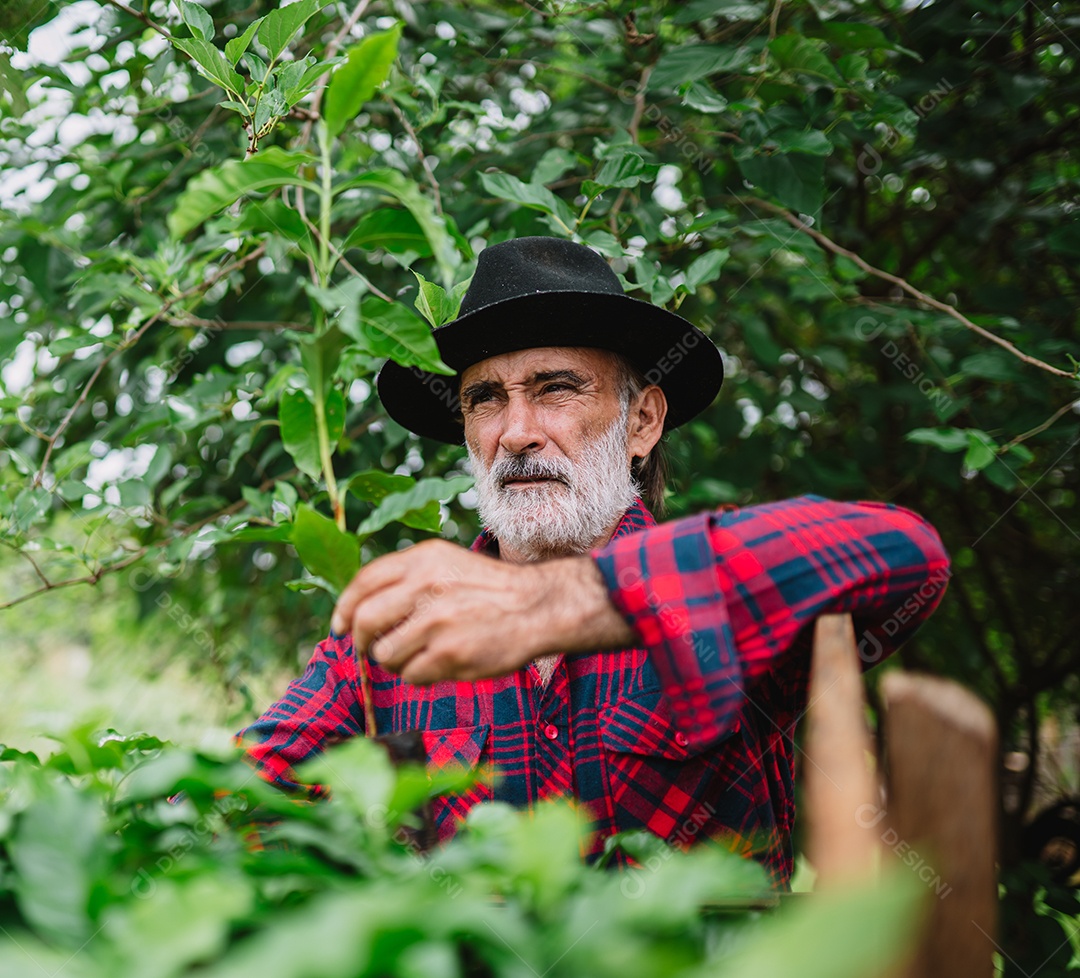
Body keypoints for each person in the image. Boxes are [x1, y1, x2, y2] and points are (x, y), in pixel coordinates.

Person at [239, 237, 950, 887]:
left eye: (556, 388)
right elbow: (224, 811)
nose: (516, 434)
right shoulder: (395, 629)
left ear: (641, 421)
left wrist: (564, 603)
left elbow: (909, 558)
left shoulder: (725, 595)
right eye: (485, 399)